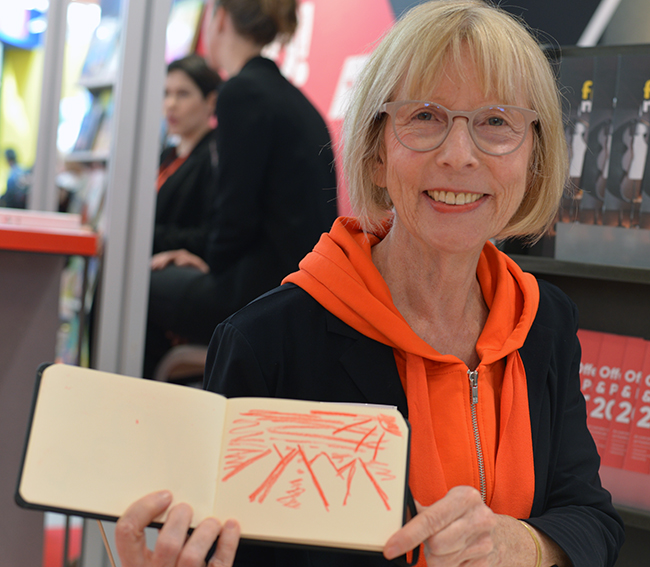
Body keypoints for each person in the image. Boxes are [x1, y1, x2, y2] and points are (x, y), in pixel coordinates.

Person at [119, 1, 624, 566]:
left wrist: (520, 545)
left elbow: (590, 519)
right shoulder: (270, 343)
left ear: (533, 159)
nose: (459, 155)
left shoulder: (543, 320)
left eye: (497, 122)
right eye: (425, 117)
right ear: (377, 152)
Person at [143, 0, 338, 378]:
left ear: (219, 19)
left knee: (136, 286)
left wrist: (208, 261)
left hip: (265, 292)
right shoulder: (291, 98)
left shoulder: (242, 92)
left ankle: (141, 403)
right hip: (300, 286)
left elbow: (235, 215)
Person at [151, 54, 222, 260]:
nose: (171, 104)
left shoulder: (215, 157)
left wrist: (147, 235)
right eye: (166, 93)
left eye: (183, 94)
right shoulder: (167, 154)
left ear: (211, 101)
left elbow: (208, 234)